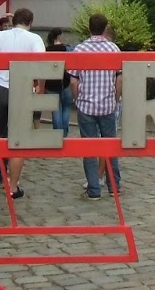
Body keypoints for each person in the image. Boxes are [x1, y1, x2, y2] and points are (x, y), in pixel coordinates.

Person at [0, 8, 44, 200]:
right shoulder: (34, 39)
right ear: (30, 22)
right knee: (18, 141)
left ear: (14, 22)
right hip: (22, 89)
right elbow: (42, 63)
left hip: (0, 89)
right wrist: (40, 86)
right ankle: (12, 187)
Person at [71, 13, 123, 199]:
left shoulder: (79, 49)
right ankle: (114, 186)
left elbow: (74, 81)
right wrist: (115, 98)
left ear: (89, 27)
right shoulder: (113, 49)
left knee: (89, 149)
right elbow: (119, 79)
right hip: (107, 104)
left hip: (86, 105)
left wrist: (77, 100)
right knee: (110, 146)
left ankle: (94, 189)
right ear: (105, 27)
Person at [44, 28, 73, 136]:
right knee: (66, 107)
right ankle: (64, 133)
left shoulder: (47, 49)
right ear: (59, 36)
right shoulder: (66, 49)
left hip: (51, 83)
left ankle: (57, 134)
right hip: (65, 81)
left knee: (55, 109)